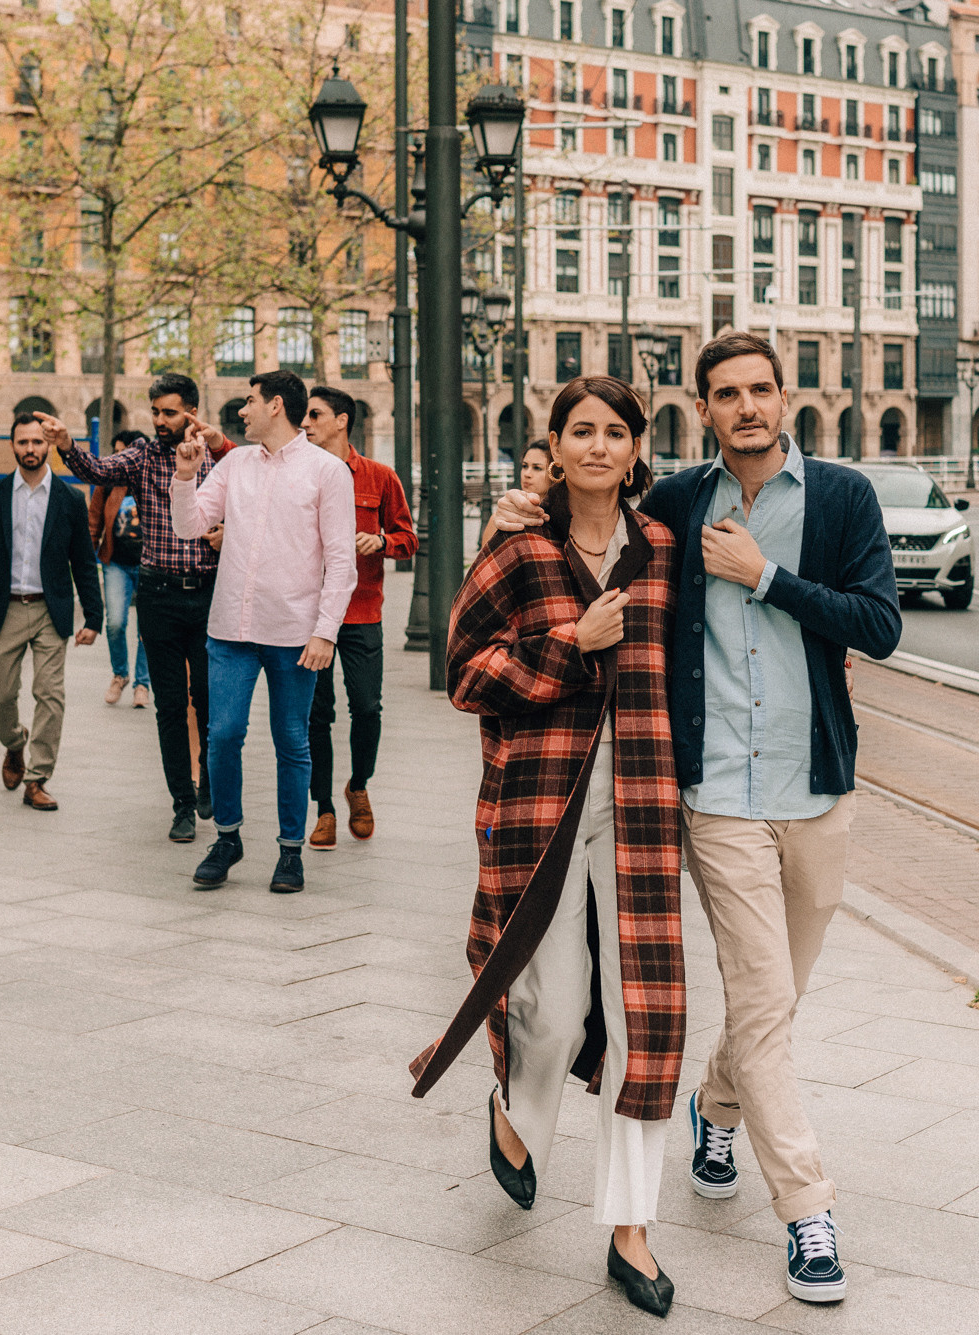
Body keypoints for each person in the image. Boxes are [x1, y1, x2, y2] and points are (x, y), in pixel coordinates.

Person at [489, 332, 899, 1303]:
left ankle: (716, 1109)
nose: (746, 406)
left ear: (784, 397)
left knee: (775, 1001)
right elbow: (586, 516)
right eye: (726, 395)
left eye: (760, 390)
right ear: (701, 410)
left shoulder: (842, 498)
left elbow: (877, 626)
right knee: (762, 1006)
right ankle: (806, 1213)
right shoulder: (674, 504)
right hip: (714, 800)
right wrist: (515, 514)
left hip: (816, 792)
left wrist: (765, 578)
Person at [409, 377, 683, 1318]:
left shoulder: (662, 550)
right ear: (553, 446)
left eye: (616, 432)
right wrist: (570, 643)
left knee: (645, 1014)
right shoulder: (517, 550)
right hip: (539, 807)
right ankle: (515, 1111)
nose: (599, 446)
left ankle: (631, 1227)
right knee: (556, 1012)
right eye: (581, 431)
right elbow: (460, 671)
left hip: (643, 805)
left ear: (638, 447)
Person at [169, 370, 356, 894]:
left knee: (292, 741)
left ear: (276, 405)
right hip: (230, 626)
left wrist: (326, 632)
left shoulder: (327, 472)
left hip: (295, 631)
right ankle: (227, 837)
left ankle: (290, 851)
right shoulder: (234, 463)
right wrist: (186, 476)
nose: (241, 411)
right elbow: (189, 527)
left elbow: (342, 561)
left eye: (249, 402)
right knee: (222, 735)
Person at [41, 374, 220, 844]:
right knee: (167, 706)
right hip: (159, 595)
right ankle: (182, 802)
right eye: (155, 412)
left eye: (170, 412)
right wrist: (67, 445)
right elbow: (97, 470)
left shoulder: (217, 457)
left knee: (207, 700)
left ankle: (210, 780)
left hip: (208, 594)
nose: (160, 421)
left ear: (192, 412)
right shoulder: (142, 456)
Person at [0, 412, 103, 812]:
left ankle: (38, 778)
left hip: (51, 610)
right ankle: (15, 744)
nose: (30, 449)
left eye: (37, 442)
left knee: (50, 695)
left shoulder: (70, 499)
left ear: (48, 445)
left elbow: (84, 563)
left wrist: (94, 617)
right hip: (5, 610)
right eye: (23, 443)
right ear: (12, 445)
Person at [301, 385, 416, 851]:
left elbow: (407, 537)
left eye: (314, 414)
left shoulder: (379, 477)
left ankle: (359, 785)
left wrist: (382, 543)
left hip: (363, 610)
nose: (305, 423)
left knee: (367, 707)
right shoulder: (300, 475)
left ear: (342, 420)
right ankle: (324, 810)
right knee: (316, 716)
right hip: (308, 616)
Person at [89, 429, 153, 709]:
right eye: (114, 451)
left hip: (151, 566)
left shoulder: (154, 481)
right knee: (115, 622)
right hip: (116, 563)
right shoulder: (107, 483)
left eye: (121, 451)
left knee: (147, 629)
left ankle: (142, 683)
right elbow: (94, 522)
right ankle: (120, 674)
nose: (116, 457)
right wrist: (86, 555)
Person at [478, 440, 552, 547]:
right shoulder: (502, 519)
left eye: (537, 468)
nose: (527, 474)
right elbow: (484, 561)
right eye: (524, 466)